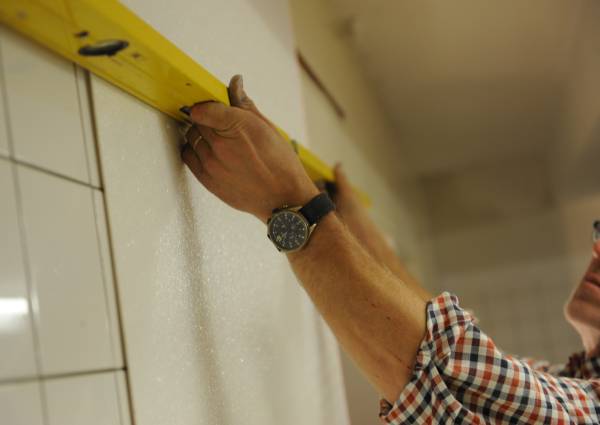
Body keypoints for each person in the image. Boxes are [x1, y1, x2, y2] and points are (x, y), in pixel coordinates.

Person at [180, 75, 600, 423]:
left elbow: (445, 377)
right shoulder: (576, 378)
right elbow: (460, 362)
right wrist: (354, 229)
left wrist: (289, 203)